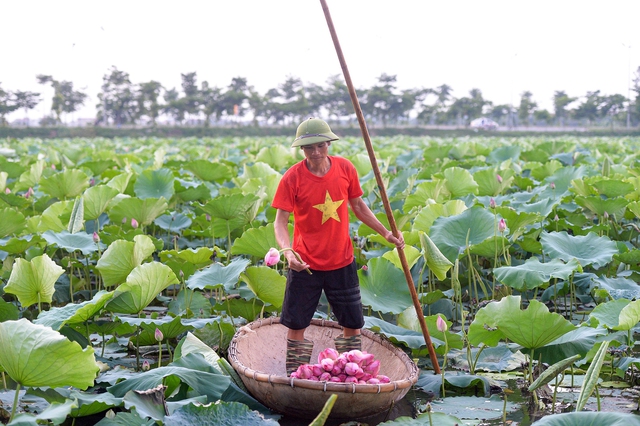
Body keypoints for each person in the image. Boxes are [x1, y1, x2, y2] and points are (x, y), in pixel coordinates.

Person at [272, 117, 405, 375]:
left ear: (329, 144)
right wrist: (288, 252)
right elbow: (280, 222)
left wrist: (386, 232)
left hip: (341, 260)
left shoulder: (345, 169)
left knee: (352, 322)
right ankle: (296, 377)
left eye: (321, 146)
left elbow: (358, 206)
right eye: (309, 148)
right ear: (301, 150)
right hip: (305, 263)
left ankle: (349, 373)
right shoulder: (292, 178)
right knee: (297, 322)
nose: (316, 152)